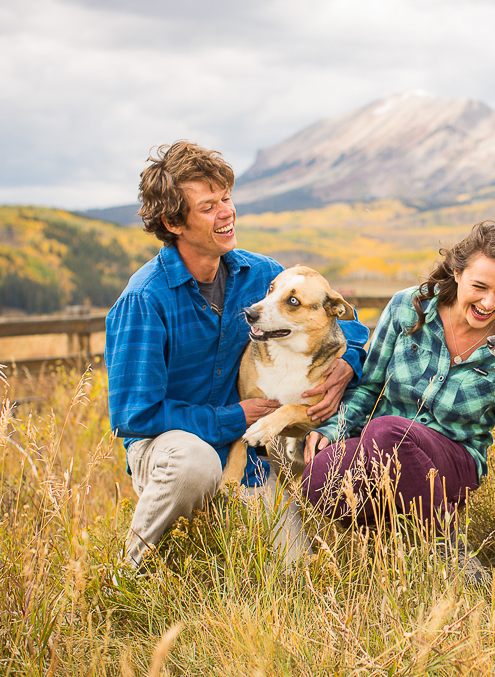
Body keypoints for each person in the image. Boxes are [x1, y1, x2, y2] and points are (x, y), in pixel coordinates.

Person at [105, 141, 369, 570]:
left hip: (249, 454)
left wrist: (347, 363)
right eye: (208, 206)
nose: (226, 212)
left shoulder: (262, 275)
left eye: (226, 197)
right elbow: (134, 416)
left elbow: (342, 324)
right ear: (174, 222)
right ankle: (130, 572)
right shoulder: (144, 300)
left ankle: (215, 544)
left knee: (291, 569)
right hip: (171, 449)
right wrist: (235, 417)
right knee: (195, 463)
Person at [300, 221, 495, 583]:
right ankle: (400, 534)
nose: (489, 302)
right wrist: (333, 429)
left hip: (451, 464)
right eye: (479, 286)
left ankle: (449, 548)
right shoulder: (406, 308)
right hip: (377, 449)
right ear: (457, 273)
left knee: (387, 431)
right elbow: (369, 387)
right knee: (317, 481)